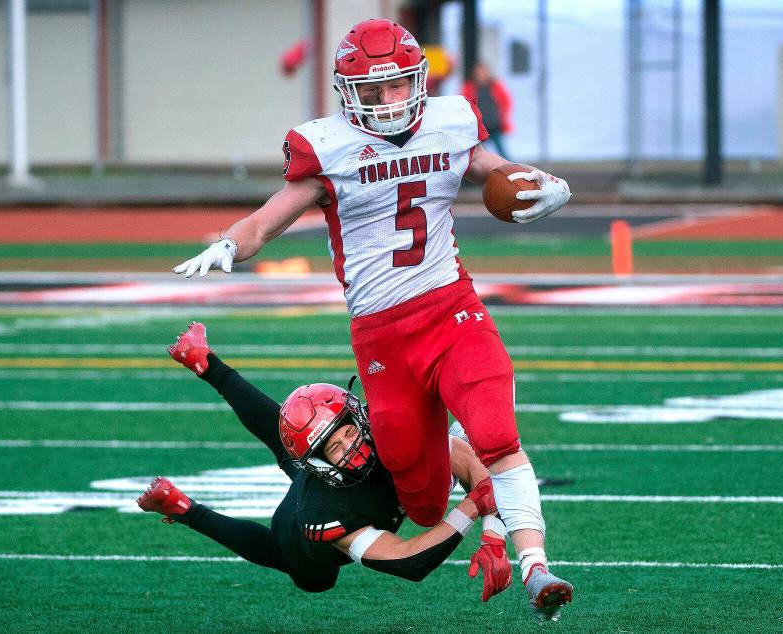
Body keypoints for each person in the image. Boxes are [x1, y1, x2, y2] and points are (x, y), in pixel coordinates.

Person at [173, 18, 573, 620]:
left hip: (450, 305)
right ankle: (456, 443)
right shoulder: (328, 146)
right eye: (371, 89)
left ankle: (535, 567)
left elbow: (500, 171)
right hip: (382, 336)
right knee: (423, 502)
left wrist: (547, 185)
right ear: (346, 92)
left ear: (417, 80)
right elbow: (263, 222)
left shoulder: (449, 122)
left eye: (397, 85)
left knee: (497, 434)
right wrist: (230, 243)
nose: (387, 100)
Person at [138, 322, 512, 600]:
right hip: (304, 524)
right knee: (300, 569)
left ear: (358, 416)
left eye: (348, 432)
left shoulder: (383, 425)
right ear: (318, 464)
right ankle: (186, 509)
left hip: (327, 472)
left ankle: (206, 363)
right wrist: (470, 507)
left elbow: (475, 469)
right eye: (334, 448)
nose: (350, 446)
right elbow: (408, 561)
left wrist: (493, 535)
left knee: (288, 435)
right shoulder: (323, 512)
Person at [461, 61, 513, 159]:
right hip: (479, 126)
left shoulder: (495, 86)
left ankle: (510, 167)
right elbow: (463, 103)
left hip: (494, 124)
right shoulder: (469, 87)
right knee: (478, 154)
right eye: (478, 72)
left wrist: (502, 116)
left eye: (483, 72)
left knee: (502, 151)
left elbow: (506, 102)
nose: (481, 75)